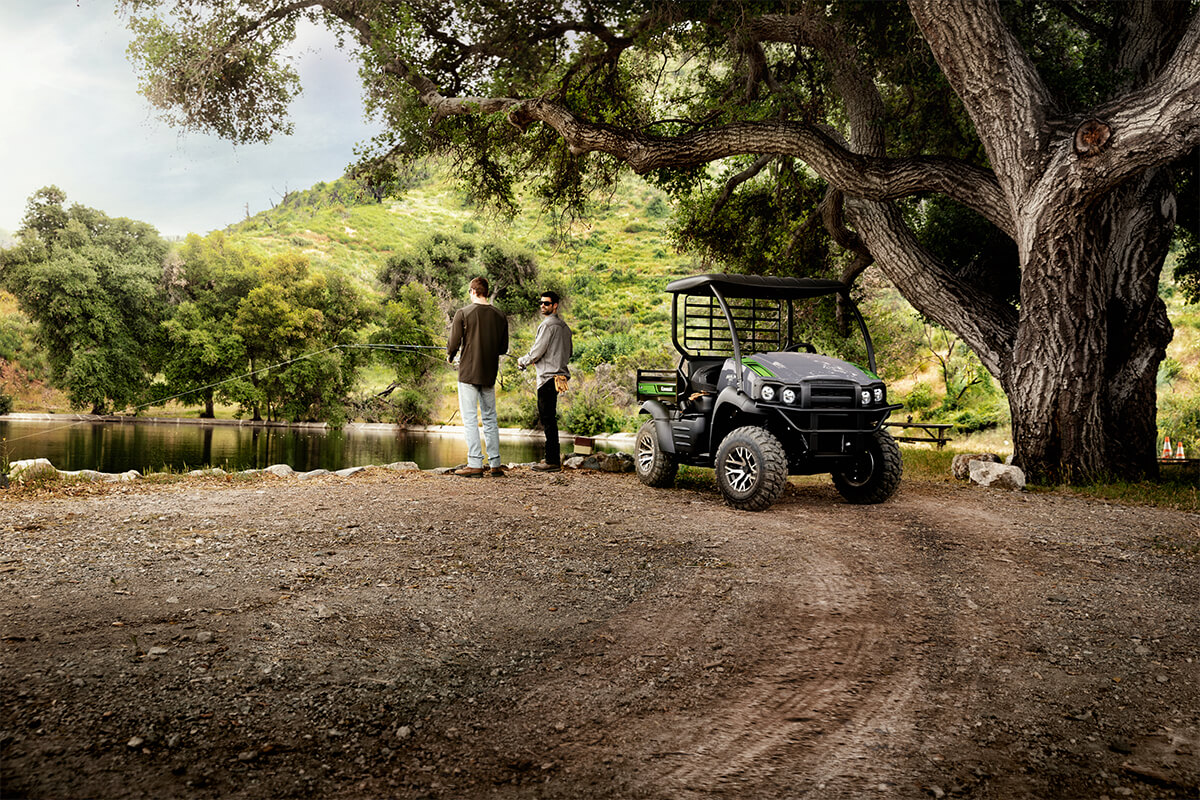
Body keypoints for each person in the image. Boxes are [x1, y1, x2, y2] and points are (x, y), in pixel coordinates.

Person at [446, 276, 509, 477]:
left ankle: (475, 463)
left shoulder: (463, 313)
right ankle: (495, 464)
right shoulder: (500, 315)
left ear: (473, 291)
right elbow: (503, 348)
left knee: (470, 418)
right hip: (489, 373)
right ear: (486, 292)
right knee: (490, 418)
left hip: (468, 373)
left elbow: (453, 343)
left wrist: (450, 356)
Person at [517, 290, 573, 472]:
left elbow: (537, 351)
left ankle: (552, 461)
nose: (542, 306)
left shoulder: (547, 325)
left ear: (555, 305)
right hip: (560, 378)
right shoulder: (565, 327)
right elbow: (569, 353)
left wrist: (523, 361)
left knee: (547, 419)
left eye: (546, 303)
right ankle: (552, 457)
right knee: (550, 418)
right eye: (541, 303)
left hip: (547, 378)